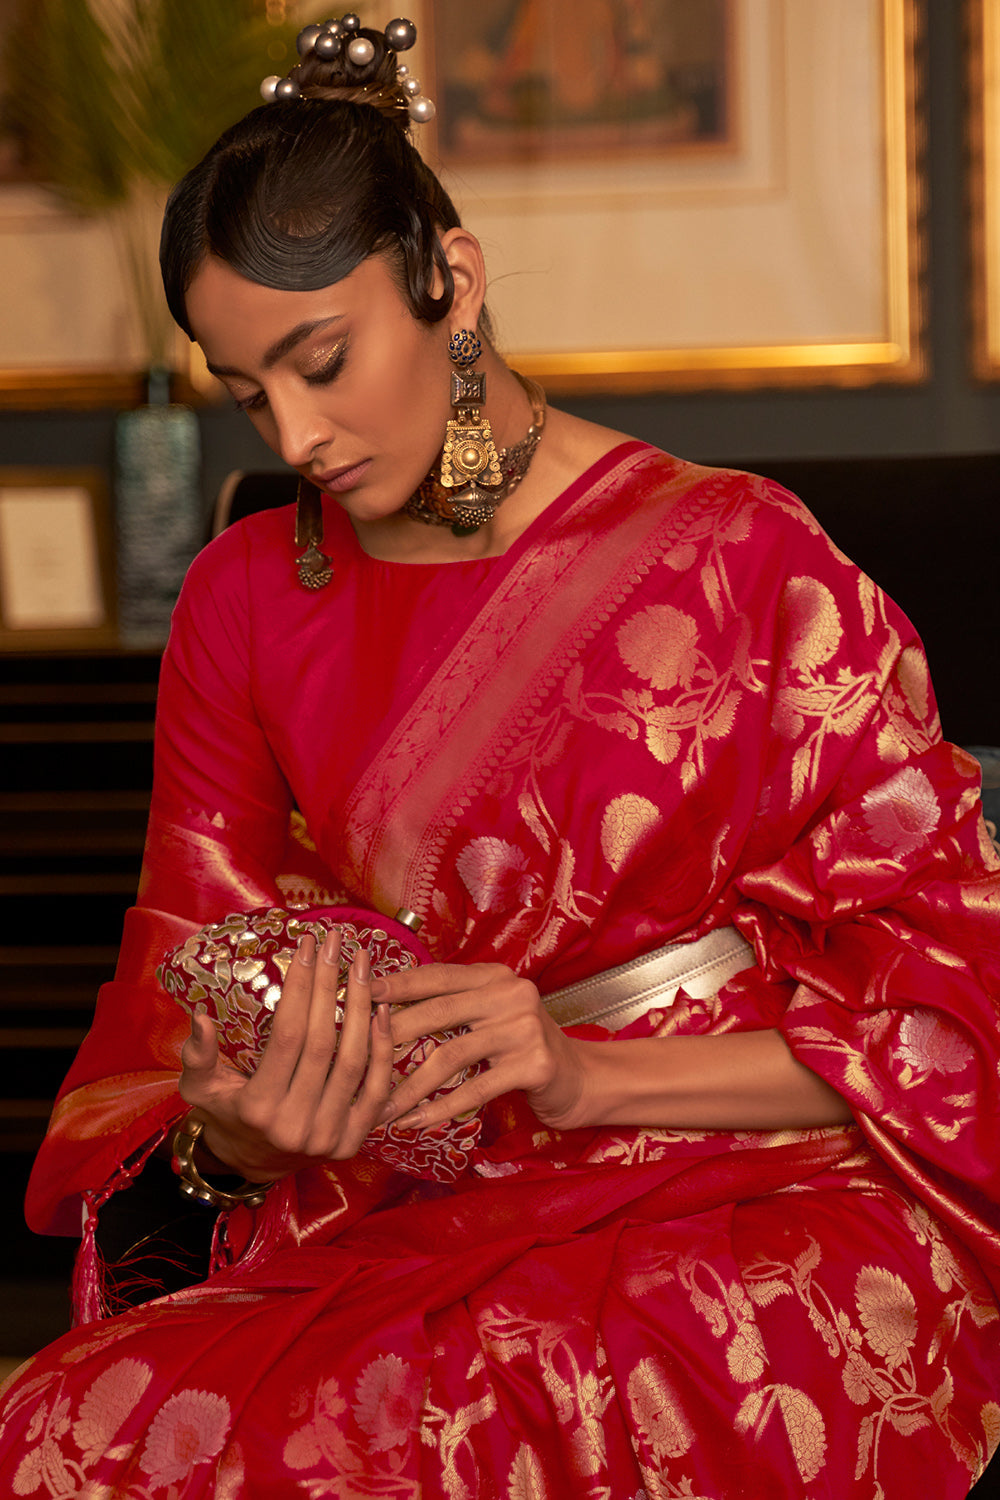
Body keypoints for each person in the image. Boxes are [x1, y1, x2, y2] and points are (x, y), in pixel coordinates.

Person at [2, 15, 1000, 1497]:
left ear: (451, 282)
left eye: (324, 361)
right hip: (417, 1201)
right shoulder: (245, 599)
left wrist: (582, 1076)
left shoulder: (741, 557)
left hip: (756, 1193)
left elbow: (959, 1021)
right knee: (71, 1424)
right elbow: (182, 996)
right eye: (249, 392)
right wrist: (238, 1138)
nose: (298, 435)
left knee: (477, 1404)